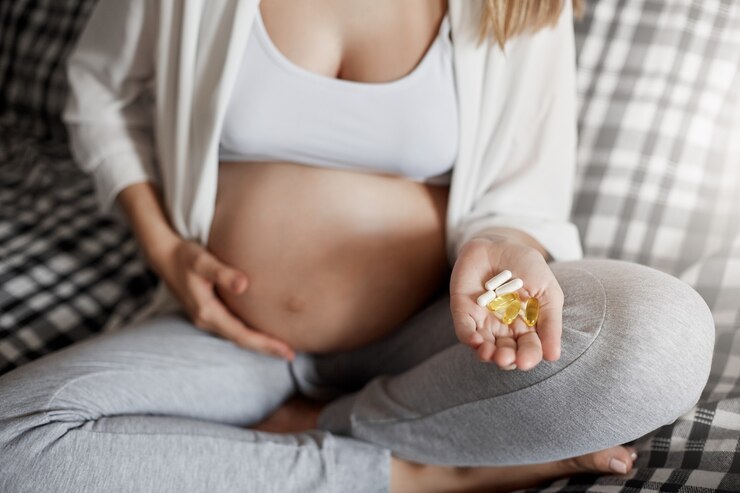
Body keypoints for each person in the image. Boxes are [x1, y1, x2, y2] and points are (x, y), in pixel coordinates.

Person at [0, 0, 715, 491]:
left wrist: (501, 253)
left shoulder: (514, 3)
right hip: (230, 335)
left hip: (433, 341)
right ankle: (424, 472)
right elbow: (97, 90)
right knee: (13, 443)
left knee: (663, 334)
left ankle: (328, 423)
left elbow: (518, 195)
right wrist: (165, 249)